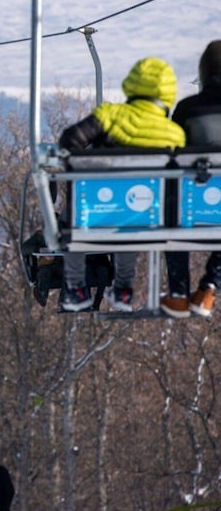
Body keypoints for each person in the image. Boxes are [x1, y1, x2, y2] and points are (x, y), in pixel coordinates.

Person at [59, 56, 185, 312]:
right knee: (132, 215)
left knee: (70, 221)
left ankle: (75, 287)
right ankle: (124, 289)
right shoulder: (174, 133)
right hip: (148, 216)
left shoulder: (111, 115)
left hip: (94, 212)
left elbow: (69, 141)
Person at [162, 40, 221, 318]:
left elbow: (172, 148)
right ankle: (209, 288)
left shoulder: (187, 108)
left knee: (173, 209)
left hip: (191, 202)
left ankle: (178, 292)